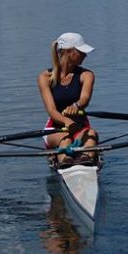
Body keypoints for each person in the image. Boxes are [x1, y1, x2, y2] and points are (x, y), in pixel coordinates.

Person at [38, 32, 99, 167]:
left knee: (91, 135)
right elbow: (51, 110)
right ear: (68, 52)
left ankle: (86, 160)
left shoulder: (86, 75)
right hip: (55, 129)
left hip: (80, 127)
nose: (85, 55)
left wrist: (77, 106)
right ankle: (66, 163)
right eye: (81, 52)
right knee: (65, 140)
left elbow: (85, 98)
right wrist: (66, 121)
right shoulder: (45, 77)